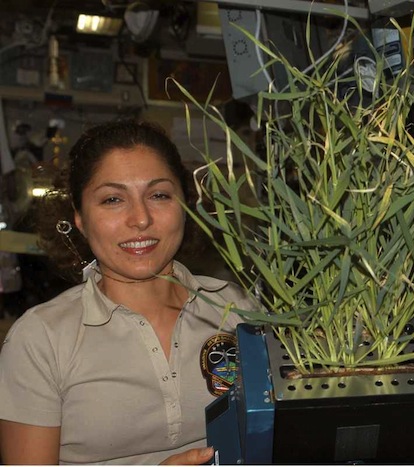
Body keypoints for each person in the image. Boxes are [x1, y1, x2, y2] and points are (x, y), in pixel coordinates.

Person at [0, 120, 259, 464]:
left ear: (186, 205)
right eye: (112, 199)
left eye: (159, 195)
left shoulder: (236, 307)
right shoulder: (41, 340)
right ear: (79, 219)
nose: (140, 219)